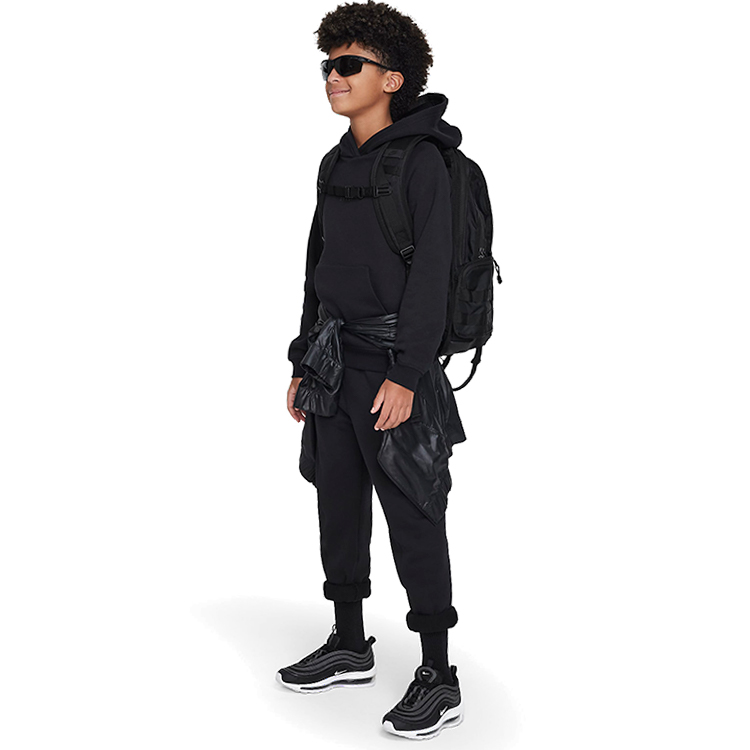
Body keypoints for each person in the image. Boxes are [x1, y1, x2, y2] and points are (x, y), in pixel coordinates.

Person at [277, 1, 465, 739]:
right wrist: (303, 357)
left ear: (391, 78)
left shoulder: (424, 162)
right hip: (334, 361)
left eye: (348, 64)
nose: (333, 76)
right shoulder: (335, 163)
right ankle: (351, 643)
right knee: (339, 504)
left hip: (393, 366)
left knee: (414, 514)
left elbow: (433, 275)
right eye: (328, 65)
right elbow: (316, 267)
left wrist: (409, 374)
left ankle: (439, 673)